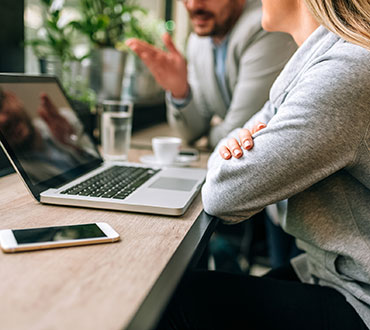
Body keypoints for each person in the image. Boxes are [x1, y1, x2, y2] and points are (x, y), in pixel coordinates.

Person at [156, 0, 370, 328]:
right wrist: (237, 142)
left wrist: (236, 143)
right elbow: (228, 145)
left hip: (359, 297)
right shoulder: (312, 64)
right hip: (330, 273)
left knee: (170, 303)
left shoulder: (346, 68)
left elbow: (223, 195)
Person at [127, 0, 297, 273]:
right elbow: (192, 132)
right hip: (264, 191)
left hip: (295, 189)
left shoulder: (265, 26)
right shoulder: (198, 41)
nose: (194, 5)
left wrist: (212, 131)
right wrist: (180, 92)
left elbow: (235, 129)